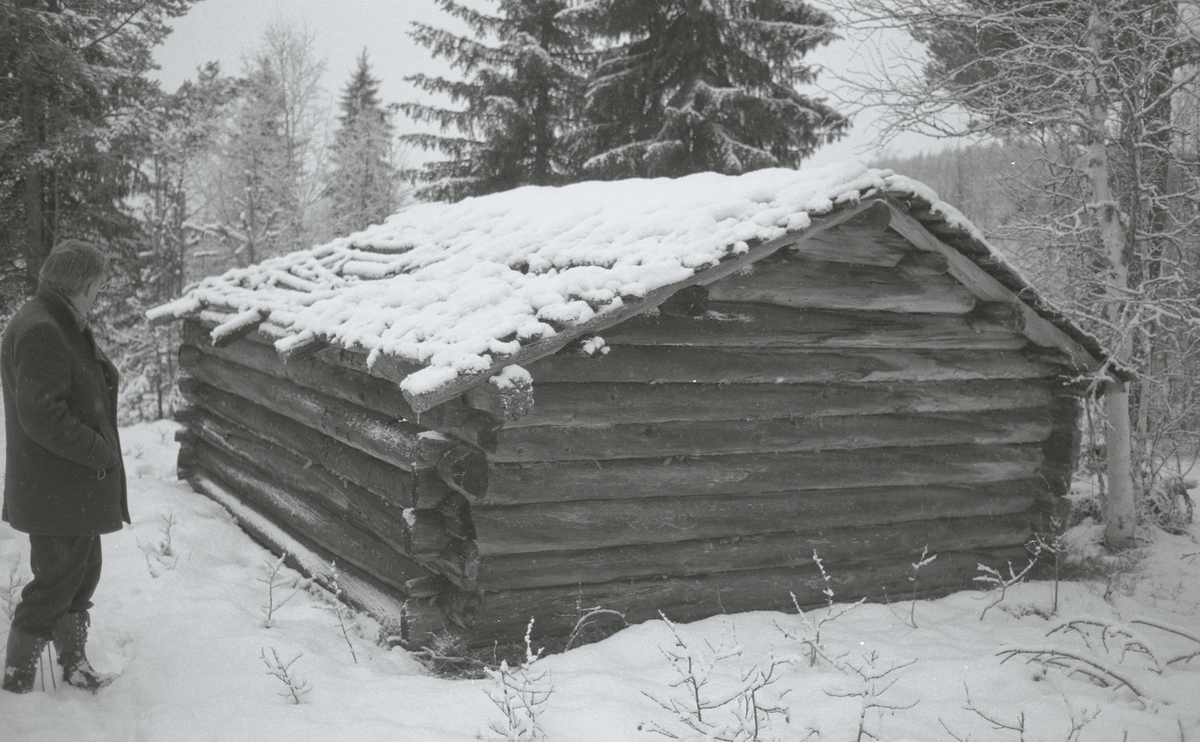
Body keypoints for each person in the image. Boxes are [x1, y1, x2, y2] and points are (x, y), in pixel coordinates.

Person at [2, 239, 127, 694]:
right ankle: (17, 682)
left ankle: (75, 666)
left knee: (80, 571)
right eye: (97, 285)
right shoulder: (41, 327)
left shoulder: (57, 318)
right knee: (55, 582)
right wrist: (99, 451)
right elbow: (42, 415)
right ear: (78, 284)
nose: (100, 293)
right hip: (55, 486)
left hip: (66, 488)